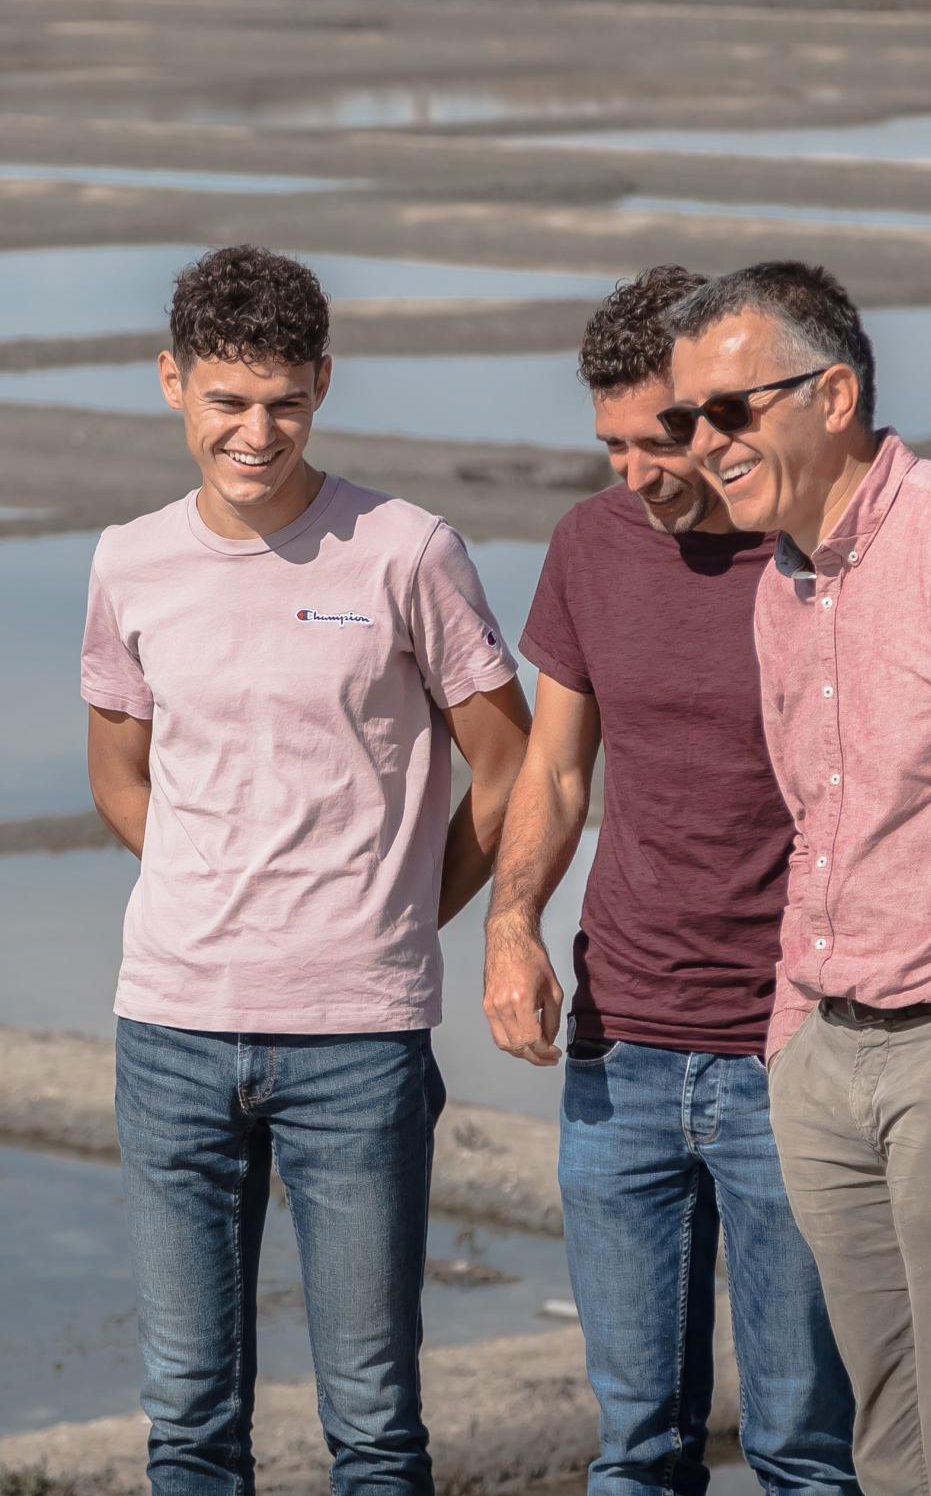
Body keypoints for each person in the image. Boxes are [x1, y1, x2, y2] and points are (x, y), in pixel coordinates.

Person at [80, 244, 530, 1496]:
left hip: (358, 1043)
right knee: (186, 1416)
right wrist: (198, 885)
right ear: (172, 383)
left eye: (283, 401)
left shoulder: (406, 550)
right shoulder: (128, 561)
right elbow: (120, 772)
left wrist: (410, 913)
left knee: (376, 1422)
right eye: (227, 401)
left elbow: (512, 764)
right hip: (168, 1031)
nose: (256, 431)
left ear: (323, 385)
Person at [668, 258, 931, 1496]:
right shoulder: (784, 587)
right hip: (830, 1064)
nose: (705, 445)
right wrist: (792, 1031)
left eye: (732, 412)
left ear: (834, 394)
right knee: (889, 1454)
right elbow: (820, 825)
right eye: (688, 420)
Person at [483, 265, 859, 1496]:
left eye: (658, 441)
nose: (633, 473)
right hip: (620, 1053)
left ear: (723, 416)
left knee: (803, 1452)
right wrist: (512, 924)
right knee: (634, 1450)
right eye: (609, 446)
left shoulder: (821, 555)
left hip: (791, 1054)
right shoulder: (588, 545)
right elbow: (555, 767)